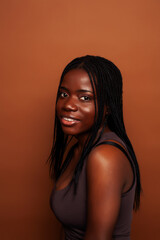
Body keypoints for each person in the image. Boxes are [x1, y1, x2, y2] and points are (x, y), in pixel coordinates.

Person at [49, 55, 141, 240]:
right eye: (64, 94)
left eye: (85, 97)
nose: (68, 105)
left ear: (107, 107)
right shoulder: (79, 149)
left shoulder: (105, 156)